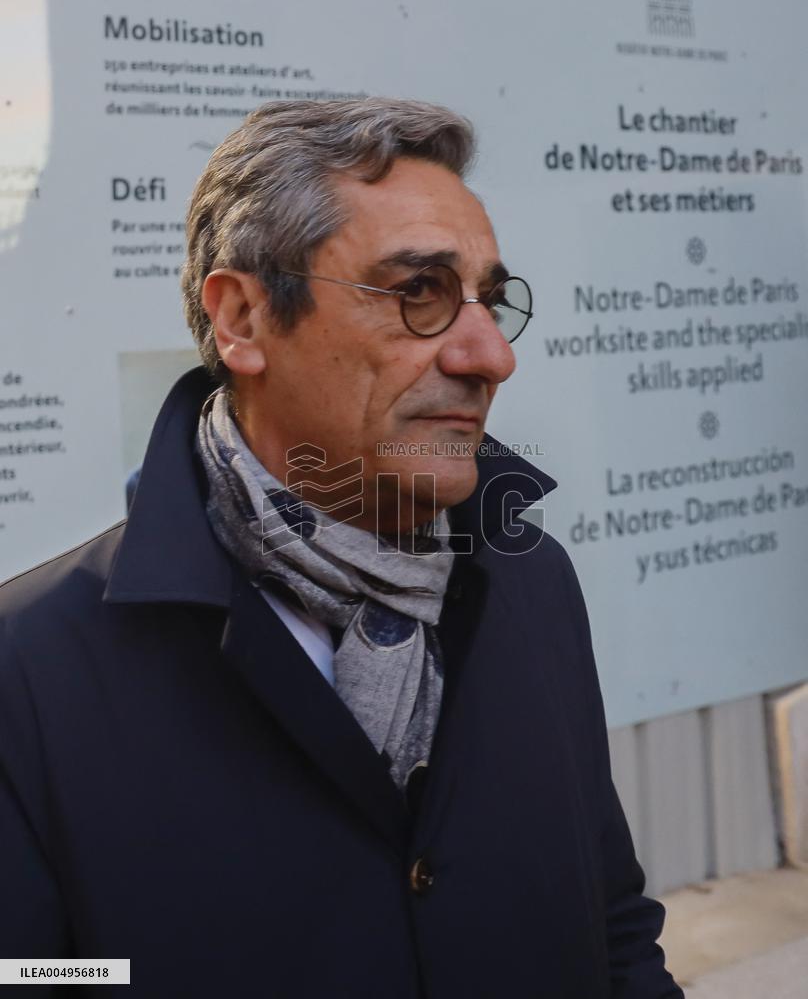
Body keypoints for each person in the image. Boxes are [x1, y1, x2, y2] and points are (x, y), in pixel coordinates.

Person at [0, 98, 683, 997]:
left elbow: (612, 926)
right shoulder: (31, 667)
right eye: (419, 293)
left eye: (490, 300)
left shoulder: (528, 581)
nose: (490, 356)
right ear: (243, 318)